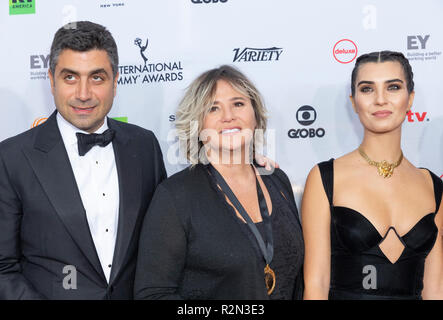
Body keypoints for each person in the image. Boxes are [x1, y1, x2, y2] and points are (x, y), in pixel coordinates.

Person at [0, 21, 166, 299]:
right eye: (70, 77)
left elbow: (165, 241)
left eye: (97, 78)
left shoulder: (144, 145)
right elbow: (3, 267)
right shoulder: (12, 158)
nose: (83, 94)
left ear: (115, 81)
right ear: (51, 81)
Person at [134, 65, 304, 300]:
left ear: (255, 114)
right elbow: (153, 294)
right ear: (198, 124)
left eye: (238, 104)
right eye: (213, 108)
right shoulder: (175, 196)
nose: (228, 116)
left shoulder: (276, 179)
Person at [302, 51, 443, 300]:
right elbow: (316, 284)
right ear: (354, 101)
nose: (380, 99)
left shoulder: (432, 185)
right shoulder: (326, 178)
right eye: (367, 89)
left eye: (393, 87)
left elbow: (435, 289)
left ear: (410, 99)